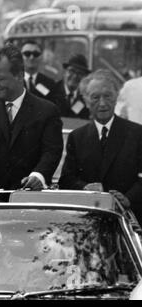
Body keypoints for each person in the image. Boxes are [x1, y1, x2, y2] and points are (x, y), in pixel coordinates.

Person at [0, 44, 63, 193]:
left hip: (32, 200)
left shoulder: (47, 111)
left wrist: (38, 176)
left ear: (19, 76)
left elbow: (52, 151)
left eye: (0, 78)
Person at [59, 69, 142, 223]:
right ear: (85, 101)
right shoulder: (77, 137)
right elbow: (66, 179)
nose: (102, 103)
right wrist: (85, 188)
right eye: (95, 97)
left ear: (116, 97)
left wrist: (128, 198)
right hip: (88, 221)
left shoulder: (137, 134)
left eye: (108, 96)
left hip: (128, 221)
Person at [51, 54, 91, 119]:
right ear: (65, 72)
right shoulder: (51, 92)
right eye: (72, 71)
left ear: (84, 77)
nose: (75, 76)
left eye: (80, 73)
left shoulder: (86, 97)